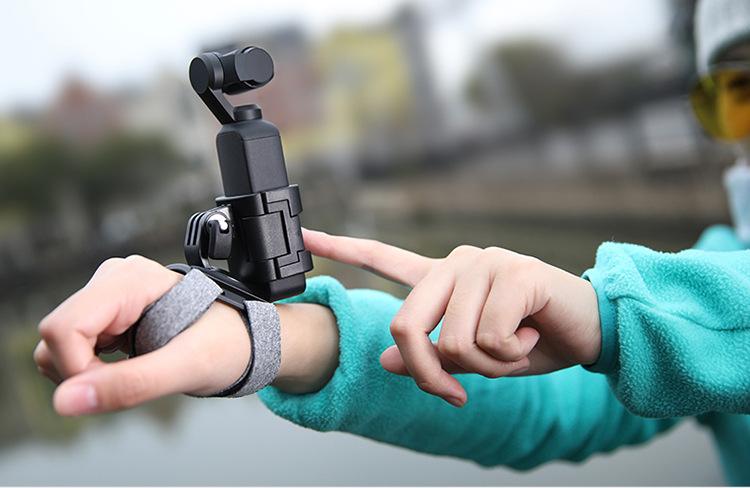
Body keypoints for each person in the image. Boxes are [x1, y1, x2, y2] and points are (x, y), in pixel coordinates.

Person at [33, 0, 750, 484]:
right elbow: (552, 401)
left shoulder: (663, 299)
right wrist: (265, 337)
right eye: (740, 92)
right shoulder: (712, 261)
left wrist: (609, 319)